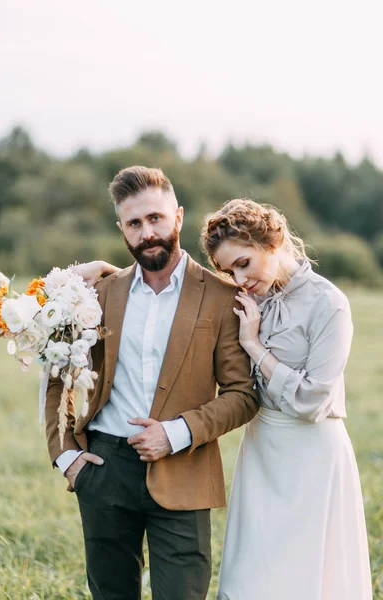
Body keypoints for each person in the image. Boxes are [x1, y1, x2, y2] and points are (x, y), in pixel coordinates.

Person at [45, 167, 258, 600]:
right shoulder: (99, 292)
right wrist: (64, 453)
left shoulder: (222, 297)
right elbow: (58, 373)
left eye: (156, 218)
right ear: (121, 228)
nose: (148, 233)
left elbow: (243, 396)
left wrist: (176, 433)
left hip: (185, 468)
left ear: (178, 217)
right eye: (135, 223)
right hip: (102, 470)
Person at [200, 199, 372, 600]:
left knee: (307, 575)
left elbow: (314, 400)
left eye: (243, 263)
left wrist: (255, 346)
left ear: (272, 243)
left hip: (312, 454)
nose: (238, 278)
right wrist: (99, 272)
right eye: (228, 270)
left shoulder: (329, 304)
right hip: (261, 451)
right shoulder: (244, 299)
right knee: (250, 577)